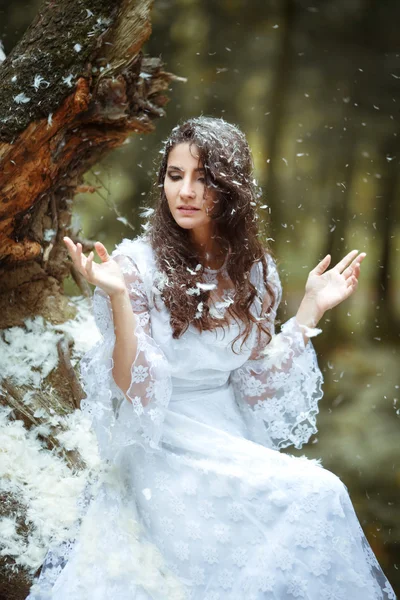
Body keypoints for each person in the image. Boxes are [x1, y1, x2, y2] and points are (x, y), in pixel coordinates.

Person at [27, 117, 396, 599]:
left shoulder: (255, 269)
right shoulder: (135, 265)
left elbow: (255, 382)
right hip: (164, 438)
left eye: (203, 178)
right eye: (175, 175)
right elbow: (134, 388)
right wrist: (118, 298)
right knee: (315, 494)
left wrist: (311, 307)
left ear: (231, 187)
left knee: (319, 495)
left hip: (231, 432)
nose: (186, 191)